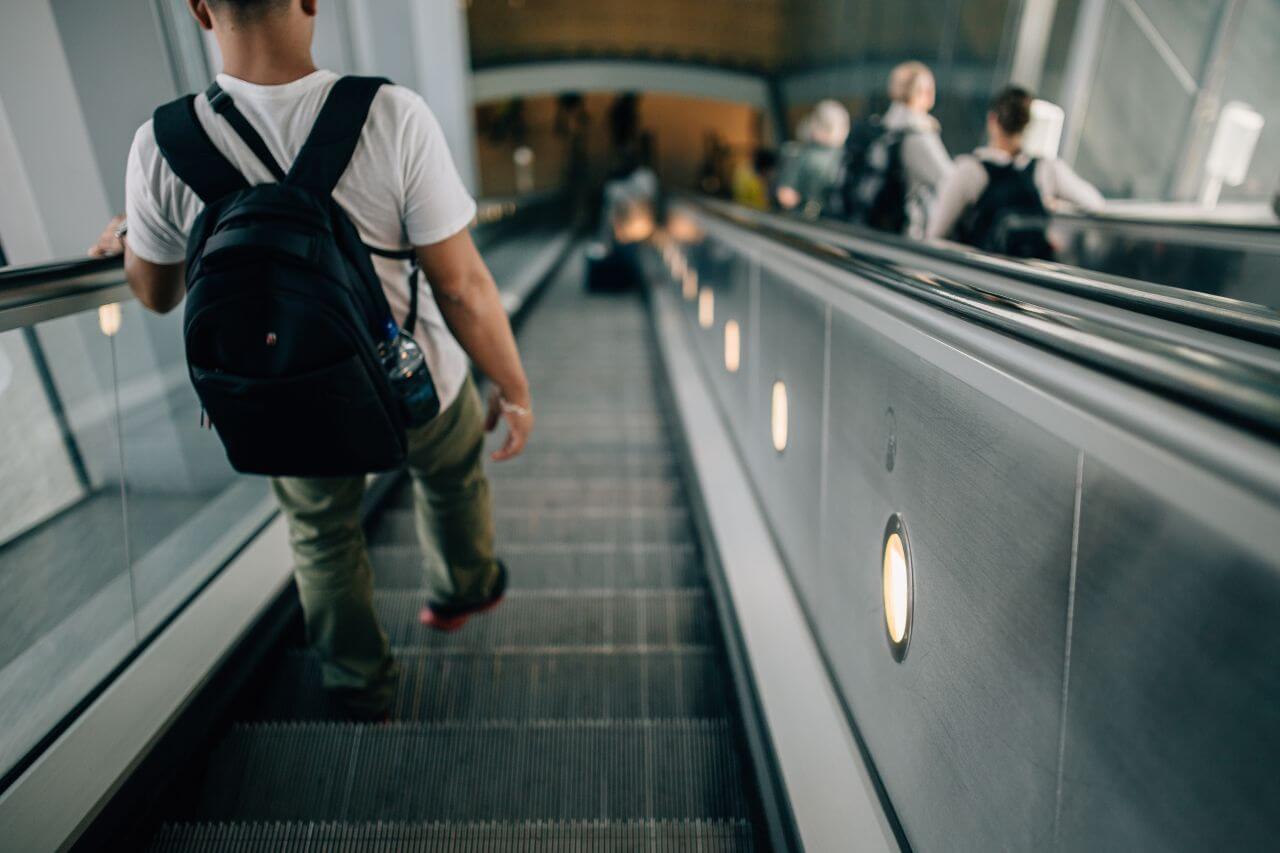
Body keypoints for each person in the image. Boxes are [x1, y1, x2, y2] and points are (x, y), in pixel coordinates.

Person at [88, 0, 534, 720]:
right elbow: (461, 285)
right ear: (310, 1)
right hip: (412, 381)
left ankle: (360, 684)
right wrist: (512, 389)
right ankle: (462, 590)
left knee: (322, 534)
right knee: (450, 475)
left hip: (284, 396)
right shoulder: (390, 114)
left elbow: (156, 292)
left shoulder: (161, 143)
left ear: (202, 11)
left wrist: (131, 233)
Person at [927, 85, 1104, 258]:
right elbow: (1095, 203)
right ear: (1027, 125)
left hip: (981, 279)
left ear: (992, 120)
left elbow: (936, 235)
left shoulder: (969, 169)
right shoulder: (1045, 168)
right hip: (1030, 279)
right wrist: (1054, 204)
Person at [776, 100, 850, 217]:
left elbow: (786, 195)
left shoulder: (800, 154)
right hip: (823, 219)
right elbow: (786, 195)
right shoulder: (848, 155)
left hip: (819, 218)